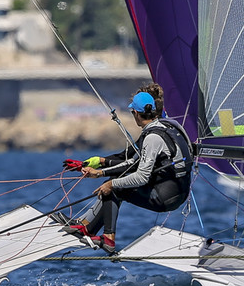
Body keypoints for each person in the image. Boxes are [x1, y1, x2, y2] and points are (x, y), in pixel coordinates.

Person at [61, 86, 193, 253]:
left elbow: (140, 174)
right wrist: (96, 166)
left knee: (113, 188)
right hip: (178, 193)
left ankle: (107, 238)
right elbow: (131, 161)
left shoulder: (152, 137)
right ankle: (86, 227)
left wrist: (105, 178)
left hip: (165, 196)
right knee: (113, 184)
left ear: (136, 114)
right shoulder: (170, 127)